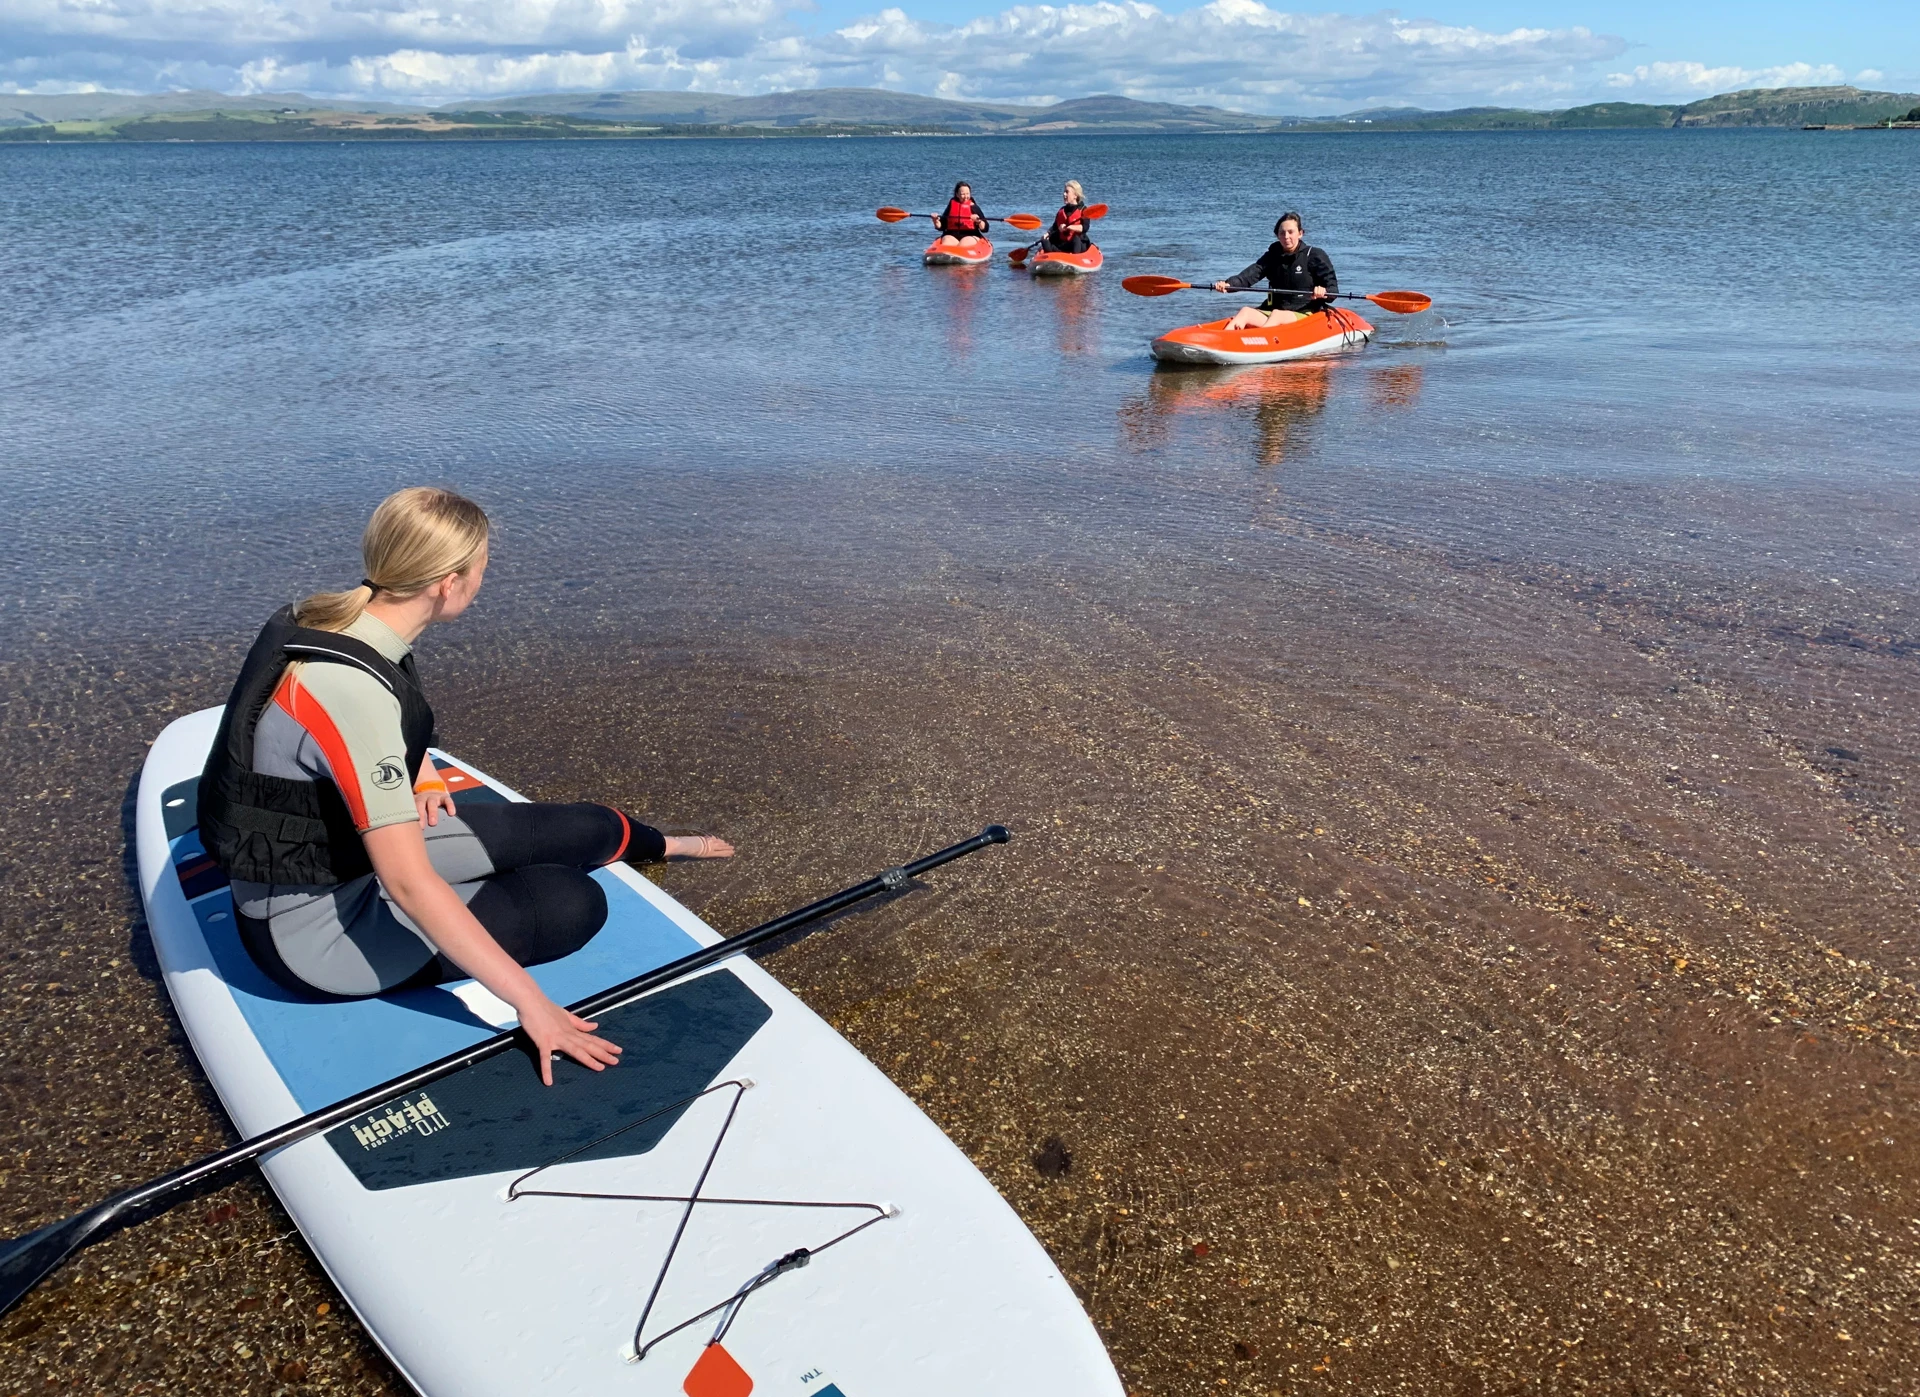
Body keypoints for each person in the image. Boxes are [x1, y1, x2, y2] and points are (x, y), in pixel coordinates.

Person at [197, 487, 734, 1084]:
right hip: (313, 930)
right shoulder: (346, 690)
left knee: (590, 827)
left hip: (350, 857)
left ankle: (662, 847)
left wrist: (416, 769)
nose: (484, 579)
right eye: (482, 568)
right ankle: (569, 896)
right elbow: (407, 882)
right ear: (448, 582)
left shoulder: (337, 615)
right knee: (570, 903)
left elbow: (343, 741)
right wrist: (533, 1006)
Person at [1213, 212, 1338, 332]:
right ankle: (1220, 340)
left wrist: (1324, 292)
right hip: (1274, 310)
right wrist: (1229, 285)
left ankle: (1259, 342)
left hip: (1305, 313)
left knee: (1277, 315)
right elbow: (1251, 275)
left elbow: (1333, 289)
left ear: (1300, 233)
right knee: (1245, 311)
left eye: (1291, 232)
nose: (1286, 237)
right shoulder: (1272, 256)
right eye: (1282, 233)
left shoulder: (1315, 255)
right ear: (1277, 235)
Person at [1040, 180, 1092, 253]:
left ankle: (1075, 259)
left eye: (1067, 192)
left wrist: (1069, 227)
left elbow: (1085, 228)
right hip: (1063, 244)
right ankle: (1052, 257)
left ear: (1075, 195)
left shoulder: (1084, 210)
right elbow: (1054, 227)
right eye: (1064, 192)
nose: (1064, 194)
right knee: (1044, 240)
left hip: (1077, 244)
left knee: (1076, 238)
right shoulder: (1061, 210)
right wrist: (1047, 233)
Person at [933, 181, 989, 246]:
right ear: (957, 194)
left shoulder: (974, 207)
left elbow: (985, 229)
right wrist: (935, 220)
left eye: (967, 194)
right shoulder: (951, 205)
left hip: (970, 235)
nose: (966, 196)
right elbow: (941, 226)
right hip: (951, 235)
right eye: (963, 194)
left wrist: (979, 221)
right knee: (946, 243)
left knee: (963, 245)